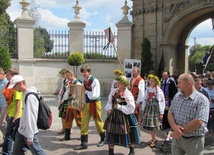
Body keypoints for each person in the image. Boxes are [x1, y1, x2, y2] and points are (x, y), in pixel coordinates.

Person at [168, 73, 209, 155]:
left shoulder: (201, 100)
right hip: (178, 140)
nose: (177, 85)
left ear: (189, 84)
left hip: (194, 140)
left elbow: (199, 121)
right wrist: (174, 127)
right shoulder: (177, 96)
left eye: (180, 83)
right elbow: (170, 113)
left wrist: (179, 131)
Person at [8, 75, 46, 155]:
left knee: (37, 152)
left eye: (14, 86)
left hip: (28, 131)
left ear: (20, 84)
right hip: (22, 130)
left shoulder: (30, 97)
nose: (14, 89)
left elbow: (31, 117)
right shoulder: (27, 94)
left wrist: (30, 136)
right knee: (16, 152)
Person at [104, 75, 140, 155]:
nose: (117, 84)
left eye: (119, 83)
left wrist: (120, 107)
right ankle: (111, 152)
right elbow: (109, 101)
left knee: (129, 133)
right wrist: (108, 108)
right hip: (114, 116)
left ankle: (132, 150)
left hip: (125, 116)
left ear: (124, 84)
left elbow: (131, 107)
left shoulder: (128, 94)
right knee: (111, 132)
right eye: (117, 82)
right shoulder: (114, 92)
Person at [74, 65, 106, 150]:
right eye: (82, 72)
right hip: (87, 104)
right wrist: (81, 104)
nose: (84, 74)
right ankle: (84, 143)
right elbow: (83, 95)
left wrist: (86, 91)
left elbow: (94, 96)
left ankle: (104, 138)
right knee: (84, 122)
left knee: (98, 122)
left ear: (89, 72)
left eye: (85, 72)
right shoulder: (84, 82)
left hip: (95, 103)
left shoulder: (95, 81)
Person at [140, 74, 165, 148]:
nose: (151, 82)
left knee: (152, 125)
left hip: (155, 109)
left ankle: (154, 139)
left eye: (152, 81)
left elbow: (161, 101)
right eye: (150, 81)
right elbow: (145, 99)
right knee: (150, 125)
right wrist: (143, 108)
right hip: (148, 108)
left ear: (156, 82)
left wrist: (161, 112)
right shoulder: (148, 89)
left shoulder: (158, 90)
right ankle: (153, 138)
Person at [2, 68, 23, 155]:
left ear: (13, 75)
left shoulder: (16, 88)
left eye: (7, 74)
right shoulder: (11, 86)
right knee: (14, 135)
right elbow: (11, 102)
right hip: (11, 113)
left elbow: (18, 103)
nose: (6, 76)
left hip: (15, 114)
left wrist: (16, 116)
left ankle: (7, 152)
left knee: (9, 135)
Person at [60, 70, 82, 141]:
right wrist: (63, 99)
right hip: (70, 103)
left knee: (79, 120)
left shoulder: (77, 83)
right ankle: (67, 136)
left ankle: (83, 135)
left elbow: (80, 94)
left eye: (67, 76)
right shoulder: (69, 83)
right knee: (68, 119)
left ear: (71, 75)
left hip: (76, 104)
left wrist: (80, 105)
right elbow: (67, 93)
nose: (66, 77)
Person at [58, 69, 69, 134]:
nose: (62, 75)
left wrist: (63, 99)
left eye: (63, 74)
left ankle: (68, 129)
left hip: (66, 99)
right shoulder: (64, 80)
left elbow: (67, 91)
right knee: (62, 115)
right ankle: (63, 128)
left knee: (68, 115)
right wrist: (59, 98)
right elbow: (62, 89)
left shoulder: (68, 81)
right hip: (63, 99)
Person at [0, 68, 8, 138]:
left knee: (2, 123)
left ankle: (7, 138)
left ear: (2, 74)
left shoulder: (6, 83)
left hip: (5, 105)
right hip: (0, 105)